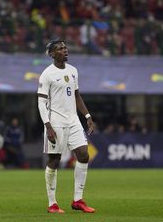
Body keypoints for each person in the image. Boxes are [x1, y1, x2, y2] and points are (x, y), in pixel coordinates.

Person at [37, 40, 95, 214]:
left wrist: (87, 116)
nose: (64, 50)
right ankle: (52, 204)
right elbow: (41, 103)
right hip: (56, 122)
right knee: (55, 160)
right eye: (60, 49)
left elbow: (77, 96)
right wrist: (48, 126)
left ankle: (78, 200)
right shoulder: (46, 74)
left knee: (84, 155)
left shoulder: (73, 71)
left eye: (65, 47)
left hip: (73, 120)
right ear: (52, 54)